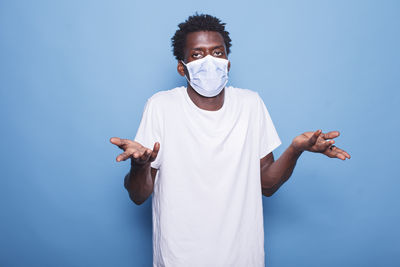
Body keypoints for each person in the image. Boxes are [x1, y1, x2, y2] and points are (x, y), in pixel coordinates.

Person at [110, 14, 350, 267]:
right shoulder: (162, 106)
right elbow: (139, 195)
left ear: (227, 63)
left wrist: (295, 149)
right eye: (197, 55)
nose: (209, 61)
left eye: (217, 52)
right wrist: (139, 166)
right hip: (180, 257)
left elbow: (267, 184)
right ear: (182, 67)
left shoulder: (250, 104)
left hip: (243, 257)